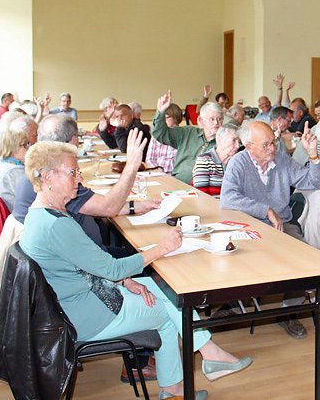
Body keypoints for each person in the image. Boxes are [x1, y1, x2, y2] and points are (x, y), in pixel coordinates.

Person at [19, 140, 251, 400]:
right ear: (48, 177)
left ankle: (205, 358)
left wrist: (125, 280)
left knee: (160, 288)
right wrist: (162, 248)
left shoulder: (41, 216)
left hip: (72, 303)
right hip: (83, 316)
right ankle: (177, 387)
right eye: (73, 172)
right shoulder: (57, 225)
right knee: (167, 312)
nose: (79, 178)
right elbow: (111, 268)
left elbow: (89, 265)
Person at [220, 120, 320, 339]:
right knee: (236, 256)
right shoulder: (238, 163)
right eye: (266, 145)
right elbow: (228, 198)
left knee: (303, 257)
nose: (272, 148)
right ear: (249, 146)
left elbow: (318, 183)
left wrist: (313, 155)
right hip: (250, 225)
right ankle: (235, 302)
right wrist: (265, 209)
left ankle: (289, 312)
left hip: (282, 225)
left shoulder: (281, 160)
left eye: (274, 142)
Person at [14, 115, 161, 257]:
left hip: (83, 253)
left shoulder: (45, 171)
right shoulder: (59, 182)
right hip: (85, 260)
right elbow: (108, 207)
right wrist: (132, 166)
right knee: (151, 253)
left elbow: (95, 207)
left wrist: (136, 206)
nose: (79, 178)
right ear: (73, 140)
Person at [151, 91, 224, 184]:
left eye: (220, 119)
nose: (216, 123)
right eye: (212, 119)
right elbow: (160, 134)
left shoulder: (225, 142)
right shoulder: (187, 132)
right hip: (177, 184)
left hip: (204, 188)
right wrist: (161, 112)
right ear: (201, 120)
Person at [192, 124, 240, 195]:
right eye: (234, 140)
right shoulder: (205, 160)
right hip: (211, 201)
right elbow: (201, 194)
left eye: (239, 142)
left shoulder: (238, 161)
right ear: (219, 139)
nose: (238, 146)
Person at [0, 130, 30, 211]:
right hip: (19, 213)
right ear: (12, 149)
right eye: (25, 145)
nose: (29, 148)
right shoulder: (14, 172)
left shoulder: (2, 164)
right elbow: (30, 198)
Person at [146, 103, 181, 174]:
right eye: (162, 118)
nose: (164, 121)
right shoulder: (156, 135)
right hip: (158, 173)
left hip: (176, 174)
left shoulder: (183, 135)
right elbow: (149, 159)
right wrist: (158, 171)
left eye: (167, 117)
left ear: (175, 118)